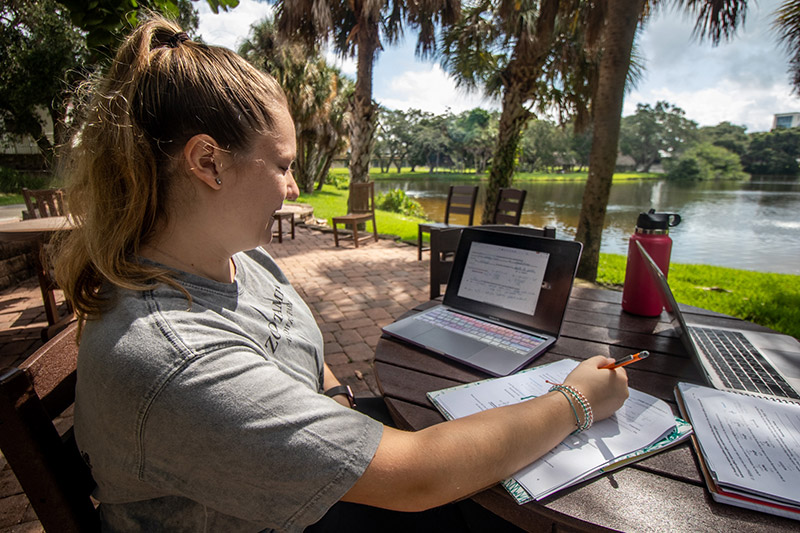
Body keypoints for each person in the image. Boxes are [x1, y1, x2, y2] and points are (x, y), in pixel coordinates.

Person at [54, 14, 629, 533]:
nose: (294, 188)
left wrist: (337, 403)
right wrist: (574, 400)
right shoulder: (174, 359)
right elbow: (418, 478)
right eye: (281, 165)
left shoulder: (238, 257)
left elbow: (299, 347)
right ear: (209, 162)